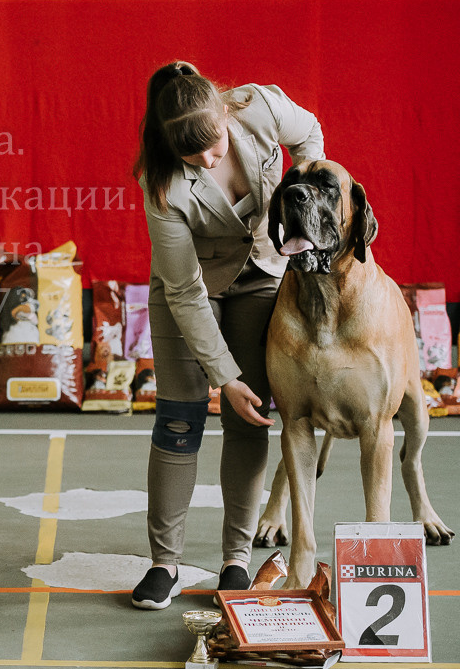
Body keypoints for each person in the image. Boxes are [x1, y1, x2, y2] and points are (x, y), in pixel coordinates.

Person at [129, 61, 324, 610]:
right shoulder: (161, 184)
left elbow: (309, 132)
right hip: (191, 288)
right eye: (193, 158)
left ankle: (236, 560)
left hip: (263, 273)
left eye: (213, 146)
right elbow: (184, 291)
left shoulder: (260, 106)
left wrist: (302, 183)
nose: (209, 161)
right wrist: (224, 377)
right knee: (178, 419)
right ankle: (164, 564)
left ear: (225, 114)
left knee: (249, 418)